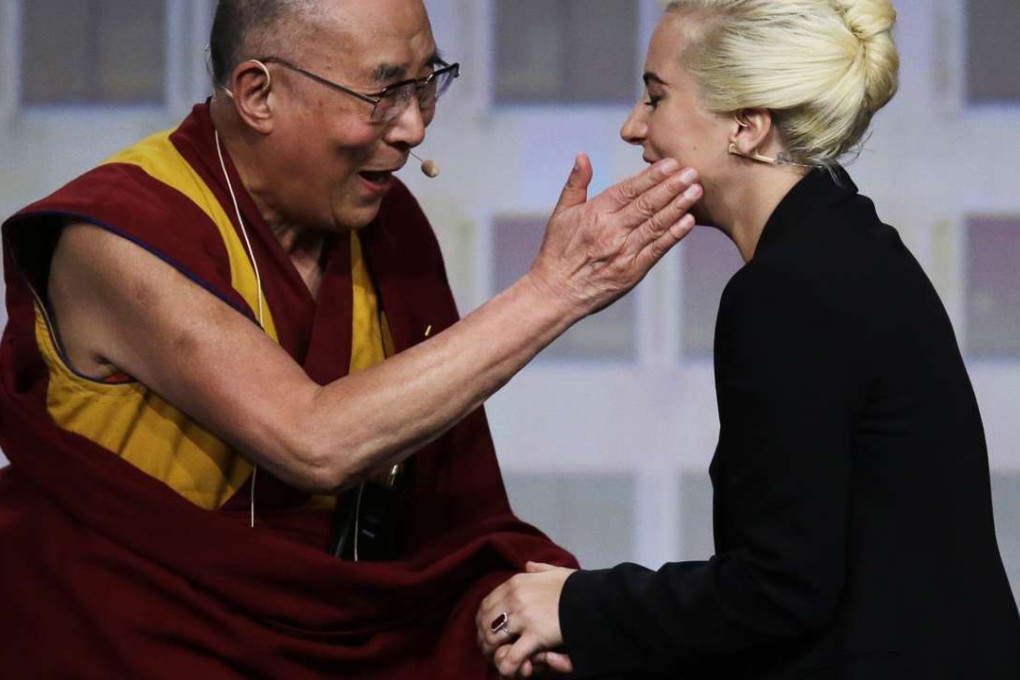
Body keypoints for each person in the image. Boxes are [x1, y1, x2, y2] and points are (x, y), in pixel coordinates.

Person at [0, 0, 704, 676]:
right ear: (258, 93)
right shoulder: (119, 238)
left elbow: (451, 511)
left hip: (334, 633)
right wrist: (556, 290)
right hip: (124, 637)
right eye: (384, 92)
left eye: (428, 84)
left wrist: (559, 606)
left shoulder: (386, 231)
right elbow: (313, 441)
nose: (413, 129)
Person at [476, 1, 1020, 678]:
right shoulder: (850, 246)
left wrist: (576, 606)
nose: (633, 127)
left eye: (656, 97)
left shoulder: (787, 292)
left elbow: (781, 589)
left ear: (747, 127)